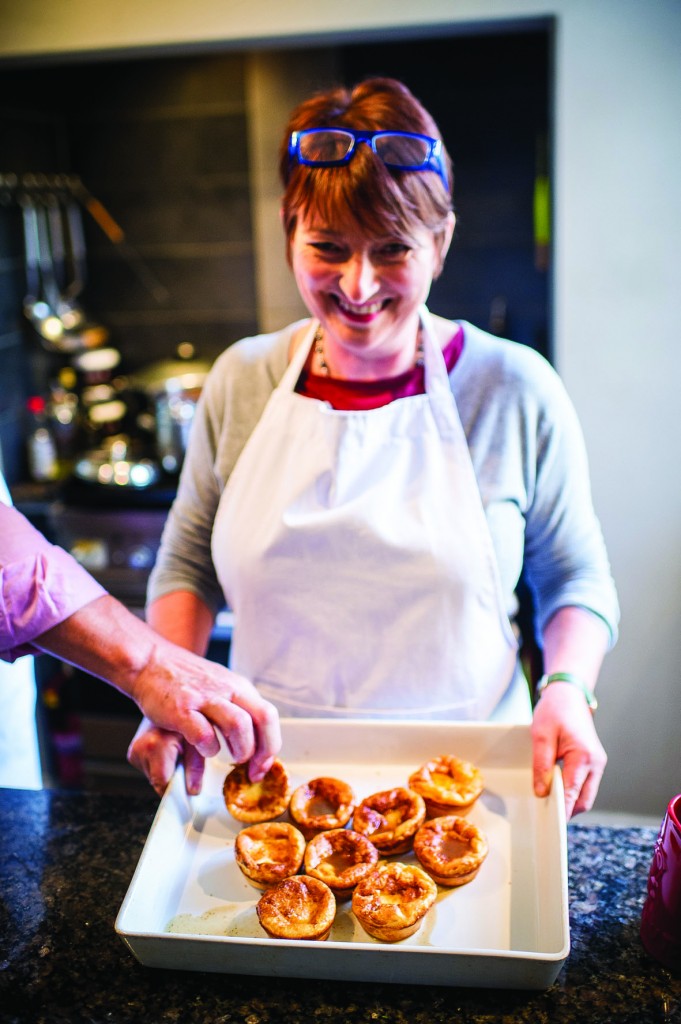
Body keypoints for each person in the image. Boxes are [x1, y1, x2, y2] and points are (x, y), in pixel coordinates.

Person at [129, 77, 619, 818]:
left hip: (472, 788)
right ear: (290, 229)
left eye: (392, 250)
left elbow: (574, 576)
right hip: (269, 783)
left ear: (440, 243)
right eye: (327, 247)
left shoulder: (513, 388)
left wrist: (568, 690)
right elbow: (187, 560)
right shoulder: (242, 379)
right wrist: (171, 687)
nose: (358, 285)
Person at [0, 478, 280, 793]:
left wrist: (173, 690)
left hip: (248, 712)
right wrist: (159, 675)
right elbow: (191, 559)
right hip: (248, 717)